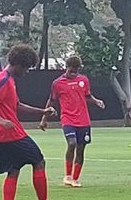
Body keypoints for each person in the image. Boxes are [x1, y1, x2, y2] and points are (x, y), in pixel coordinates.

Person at [0, 44, 69, 200]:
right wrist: (0, 120)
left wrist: (42, 111)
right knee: (38, 160)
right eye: (26, 67)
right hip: (8, 133)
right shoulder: (3, 79)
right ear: (18, 64)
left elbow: (17, 105)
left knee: (14, 169)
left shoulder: (8, 79)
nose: (27, 71)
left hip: (3, 133)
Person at [40, 56, 105, 187]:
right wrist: (44, 118)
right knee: (72, 143)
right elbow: (51, 101)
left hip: (83, 120)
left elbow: (87, 96)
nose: (73, 72)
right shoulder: (57, 83)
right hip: (68, 118)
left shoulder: (83, 80)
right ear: (66, 68)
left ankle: (75, 179)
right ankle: (68, 176)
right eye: (71, 70)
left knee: (81, 149)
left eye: (76, 70)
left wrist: (96, 101)